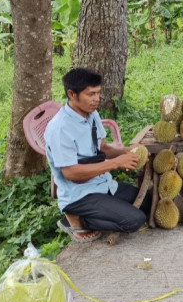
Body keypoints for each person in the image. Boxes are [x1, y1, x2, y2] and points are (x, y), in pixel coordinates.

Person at [44, 67, 151, 242]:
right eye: (90, 94)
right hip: (79, 194)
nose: (96, 99)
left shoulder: (91, 114)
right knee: (135, 220)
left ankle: (108, 209)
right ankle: (76, 219)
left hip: (102, 183)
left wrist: (125, 152)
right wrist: (116, 163)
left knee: (148, 201)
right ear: (72, 94)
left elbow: (102, 148)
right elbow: (70, 173)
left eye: (98, 93)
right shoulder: (60, 128)